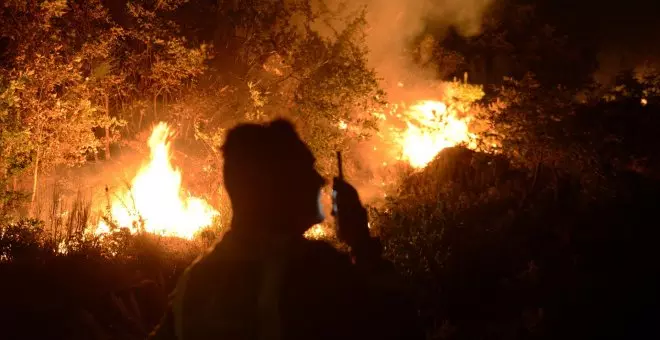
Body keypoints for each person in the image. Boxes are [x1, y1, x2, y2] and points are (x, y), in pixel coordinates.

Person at [148, 119, 422, 340]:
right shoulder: (311, 269)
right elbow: (400, 325)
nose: (320, 180)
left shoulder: (194, 280)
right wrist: (362, 243)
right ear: (277, 188)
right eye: (306, 170)